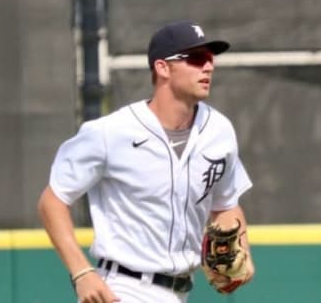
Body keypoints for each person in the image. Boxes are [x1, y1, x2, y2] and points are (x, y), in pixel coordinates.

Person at [38, 20, 255, 303]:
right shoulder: (110, 132)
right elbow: (52, 202)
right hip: (122, 288)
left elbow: (225, 203)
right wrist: (81, 273)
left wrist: (241, 252)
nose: (208, 66)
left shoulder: (219, 131)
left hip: (179, 292)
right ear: (163, 67)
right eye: (196, 58)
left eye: (210, 58)